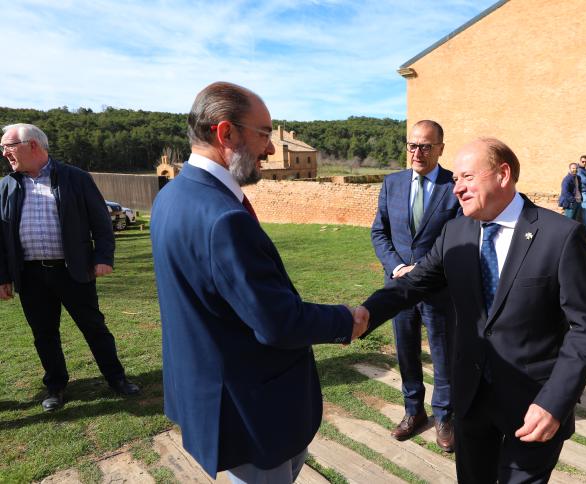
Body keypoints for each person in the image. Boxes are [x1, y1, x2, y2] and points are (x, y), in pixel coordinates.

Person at [150, 81, 368, 483]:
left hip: (208, 393)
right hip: (250, 409)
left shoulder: (172, 196)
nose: (270, 149)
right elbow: (277, 322)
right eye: (265, 134)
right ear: (226, 132)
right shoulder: (223, 218)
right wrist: (345, 320)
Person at [361, 137, 586, 483]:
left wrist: (556, 401)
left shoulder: (561, 236)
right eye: (456, 179)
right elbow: (412, 285)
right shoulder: (455, 232)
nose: (456, 188)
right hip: (471, 399)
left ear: (503, 174)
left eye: (466, 177)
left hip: (535, 405)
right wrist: (364, 314)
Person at [0, 123, 139, 412]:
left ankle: (116, 378)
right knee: (44, 334)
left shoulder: (75, 178)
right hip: (30, 275)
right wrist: (3, 276)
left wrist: (103, 258)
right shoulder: (6, 185)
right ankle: (55, 386)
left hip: (73, 270)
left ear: (32, 145)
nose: (4, 153)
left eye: (9, 146)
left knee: (94, 328)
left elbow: (101, 222)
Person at [371, 120, 461, 452]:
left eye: (425, 146)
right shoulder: (392, 183)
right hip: (399, 287)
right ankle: (413, 412)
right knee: (406, 352)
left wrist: (421, 269)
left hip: (439, 288)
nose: (417, 152)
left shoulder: (454, 186)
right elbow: (379, 232)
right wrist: (397, 266)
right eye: (412, 145)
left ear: (440, 148)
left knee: (443, 355)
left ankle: (444, 417)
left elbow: (459, 239)